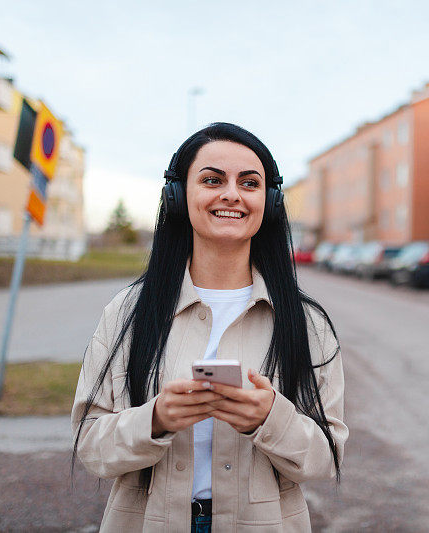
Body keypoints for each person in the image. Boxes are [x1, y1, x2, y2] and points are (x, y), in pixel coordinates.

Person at [71, 123, 347, 532]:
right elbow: (90, 446)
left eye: (249, 183)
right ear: (178, 196)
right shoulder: (128, 311)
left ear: (269, 202)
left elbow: (327, 458)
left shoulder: (307, 323)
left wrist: (271, 418)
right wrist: (155, 420)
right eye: (212, 180)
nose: (231, 194)